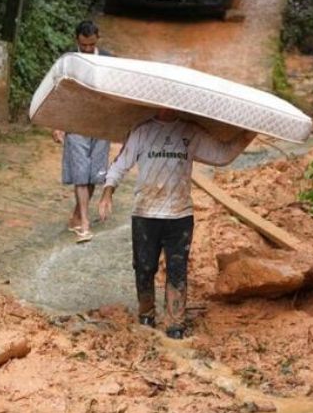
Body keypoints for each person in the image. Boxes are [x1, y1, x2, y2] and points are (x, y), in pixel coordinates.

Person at [97, 108, 255, 339]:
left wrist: (247, 136)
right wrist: (107, 192)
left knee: (177, 271)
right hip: (145, 213)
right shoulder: (142, 131)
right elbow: (120, 164)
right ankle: (146, 316)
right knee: (143, 267)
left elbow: (221, 155)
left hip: (179, 215)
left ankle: (175, 325)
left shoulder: (190, 131)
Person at [52, 20, 112, 243]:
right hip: (75, 122)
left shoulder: (109, 61)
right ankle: (85, 223)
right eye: (83, 45)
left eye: (91, 45)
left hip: (101, 123)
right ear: (76, 40)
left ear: (97, 40)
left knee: (95, 174)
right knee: (80, 171)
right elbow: (59, 93)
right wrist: (57, 123)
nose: (87, 49)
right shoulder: (67, 62)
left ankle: (78, 213)